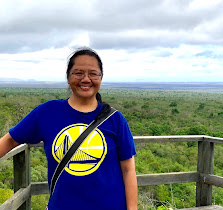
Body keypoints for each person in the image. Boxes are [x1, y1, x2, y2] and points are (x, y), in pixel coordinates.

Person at [0, 47, 138, 210]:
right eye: (78, 73)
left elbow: (128, 170)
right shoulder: (47, 112)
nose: (86, 79)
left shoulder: (115, 119)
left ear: (101, 78)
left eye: (93, 73)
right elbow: (10, 140)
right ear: (68, 77)